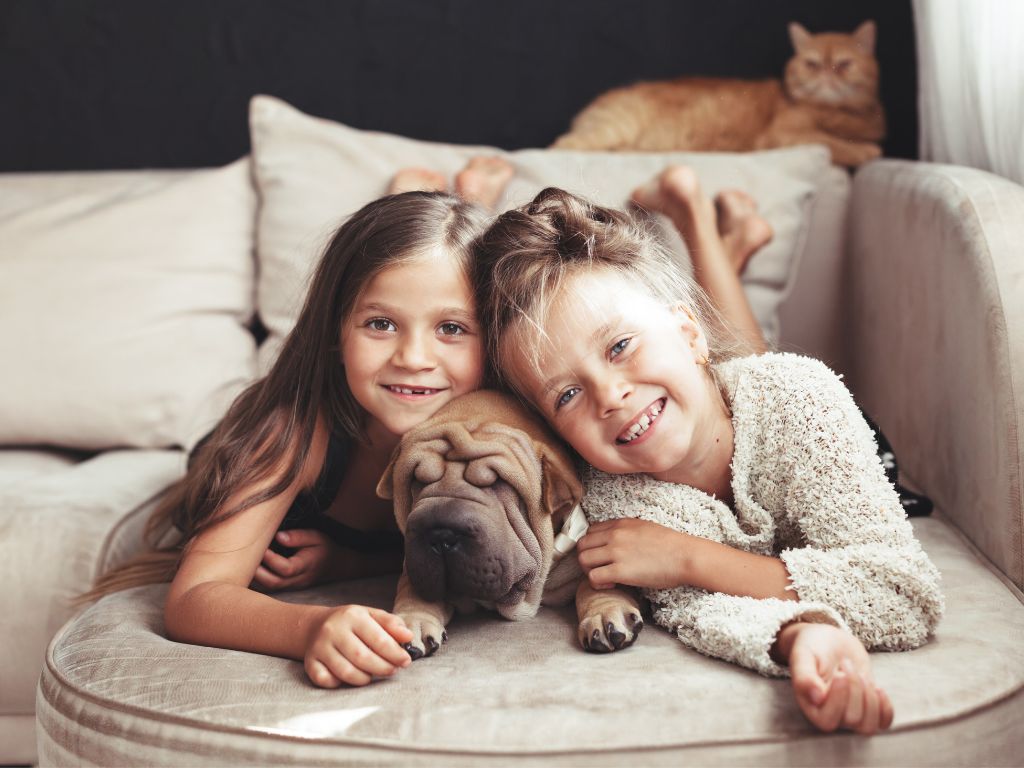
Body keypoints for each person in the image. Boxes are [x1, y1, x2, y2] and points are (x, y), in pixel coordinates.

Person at [471, 172, 945, 735]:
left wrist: (687, 557)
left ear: (690, 333)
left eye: (620, 346)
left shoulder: (799, 397)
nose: (610, 396)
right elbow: (703, 610)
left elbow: (903, 593)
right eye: (567, 395)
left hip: (825, 427)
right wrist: (802, 634)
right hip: (710, 408)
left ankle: (699, 218)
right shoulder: (618, 499)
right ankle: (730, 247)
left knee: (753, 356)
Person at [87, 158, 514, 689]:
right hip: (233, 447)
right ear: (337, 334)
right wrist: (310, 627)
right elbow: (194, 598)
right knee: (416, 255)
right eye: (380, 323)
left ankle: (454, 205)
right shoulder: (292, 434)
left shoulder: (503, 433)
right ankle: (417, 201)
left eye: (451, 328)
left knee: (441, 252)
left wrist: (345, 563)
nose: (412, 357)